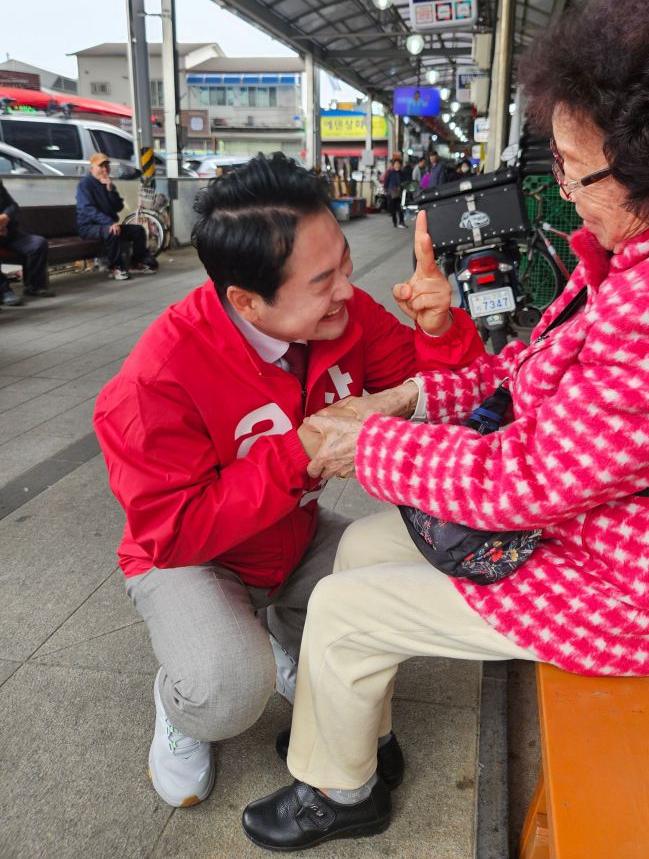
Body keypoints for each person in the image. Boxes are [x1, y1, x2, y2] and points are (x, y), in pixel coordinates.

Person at [241, 0, 649, 851]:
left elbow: (528, 479)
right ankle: (358, 738)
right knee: (367, 550)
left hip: (645, 589)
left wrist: (365, 444)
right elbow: (534, 379)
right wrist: (415, 394)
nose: (560, 185)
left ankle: (340, 792)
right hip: (623, 528)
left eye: (573, 166)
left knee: (342, 611)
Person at [93, 154, 483, 810]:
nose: (349, 290)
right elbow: (176, 533)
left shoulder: (345, 316)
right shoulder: (154, 382)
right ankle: (180, 701)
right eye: (323, 279)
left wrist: (439, 330)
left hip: (293, 535)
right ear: (246, 300)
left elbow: (449, 392)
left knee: (382, 605)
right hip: (192, 560)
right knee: (225, 693)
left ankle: (276, 635)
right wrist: (297, 453)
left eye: (345, 264)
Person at [75, 153, 158, 281]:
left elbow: (118, 206)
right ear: (92, 168)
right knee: (112, 232)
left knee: (138, 230)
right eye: (100, 166)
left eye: (106, 166)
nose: (104, 169)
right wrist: (108, 222)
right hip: (88, 227)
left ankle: (135, 262)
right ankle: (115, 267)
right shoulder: (85, 184)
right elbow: (87, 209)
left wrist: (110, 190)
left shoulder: (107, 184)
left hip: (107, 225)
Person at [0, 180, 54, 303]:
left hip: (10, 233)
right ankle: (4, 292)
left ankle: (34, 286)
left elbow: (13, 205)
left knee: (38, 243)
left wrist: (6, 217)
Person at [383, 155, 405, 228]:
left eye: (398, 164)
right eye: (396, 164)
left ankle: (401, 222)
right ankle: (394, 222)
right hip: (391, 193)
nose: (397, 165)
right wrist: (386, 190)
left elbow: (404, 182)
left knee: (400, 208)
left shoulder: (402, 173)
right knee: (393, 209)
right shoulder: (390, 173)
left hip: (400, 193)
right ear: (393, 165)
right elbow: (386, 182)